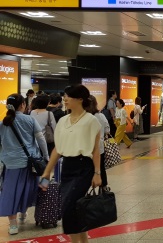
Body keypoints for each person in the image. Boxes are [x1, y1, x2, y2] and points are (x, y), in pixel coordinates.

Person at [40, 84, 102, 243]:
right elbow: (57, 149)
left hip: (84, 167)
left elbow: (96, 150)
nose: (65, 99)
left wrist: (97, 173)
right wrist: (47, 172)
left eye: (69, 96)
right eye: (64, 96)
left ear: (80, 99)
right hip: (67, 166)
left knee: (68, 208)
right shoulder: (62, 121)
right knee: (74, 208)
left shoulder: (91, 120)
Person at [0, 93, 49, 235]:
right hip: (30, 163)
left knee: (10, 193)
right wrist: (45, 156)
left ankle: (13, 224)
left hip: (10, 164)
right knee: (28, 189)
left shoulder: (3, 124)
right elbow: (41, 140)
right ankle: (23, 213)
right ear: (22, 105)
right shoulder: (29, 120)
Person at [88, 95, 111, 188]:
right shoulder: (100, 116)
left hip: (86, 149)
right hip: (100, 147)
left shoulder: (84, 117)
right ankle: (103, 187)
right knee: (101, 167)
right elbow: (107, 130)